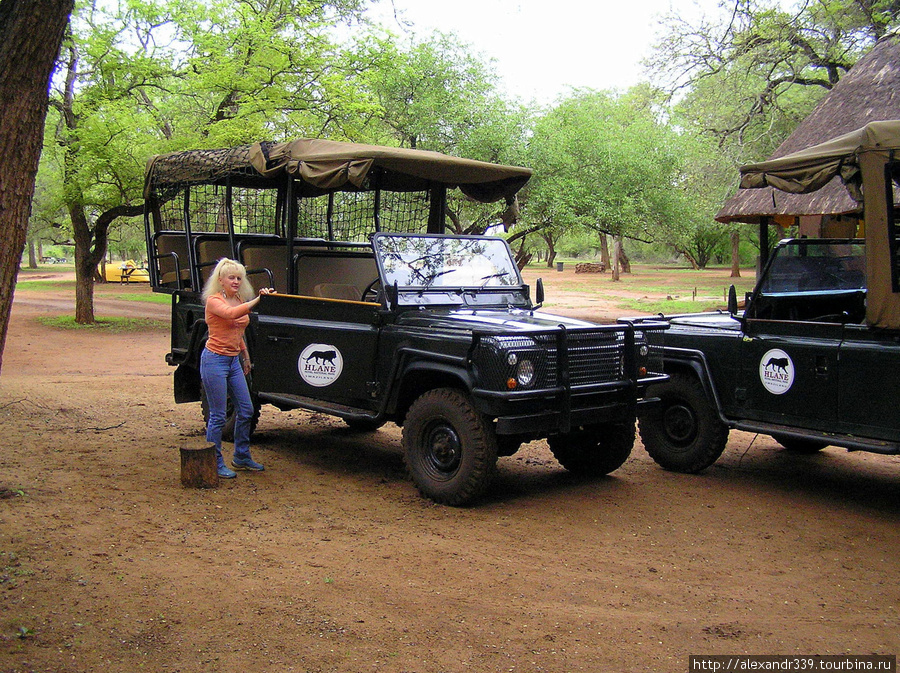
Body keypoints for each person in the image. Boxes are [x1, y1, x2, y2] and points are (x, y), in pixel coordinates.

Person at [201, 258, 274, 478]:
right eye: (231, 277)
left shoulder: (239, 299)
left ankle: (241, 455)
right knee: (218, 416)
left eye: (239, 278)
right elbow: (232, 315)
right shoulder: (214, 301)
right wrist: (259, 299)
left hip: (233, 360)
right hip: (214, 359)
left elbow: (237, 330)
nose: (235, 281)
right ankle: (214, 460)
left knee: (247, 409)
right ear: (220, 280)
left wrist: (245, 356)